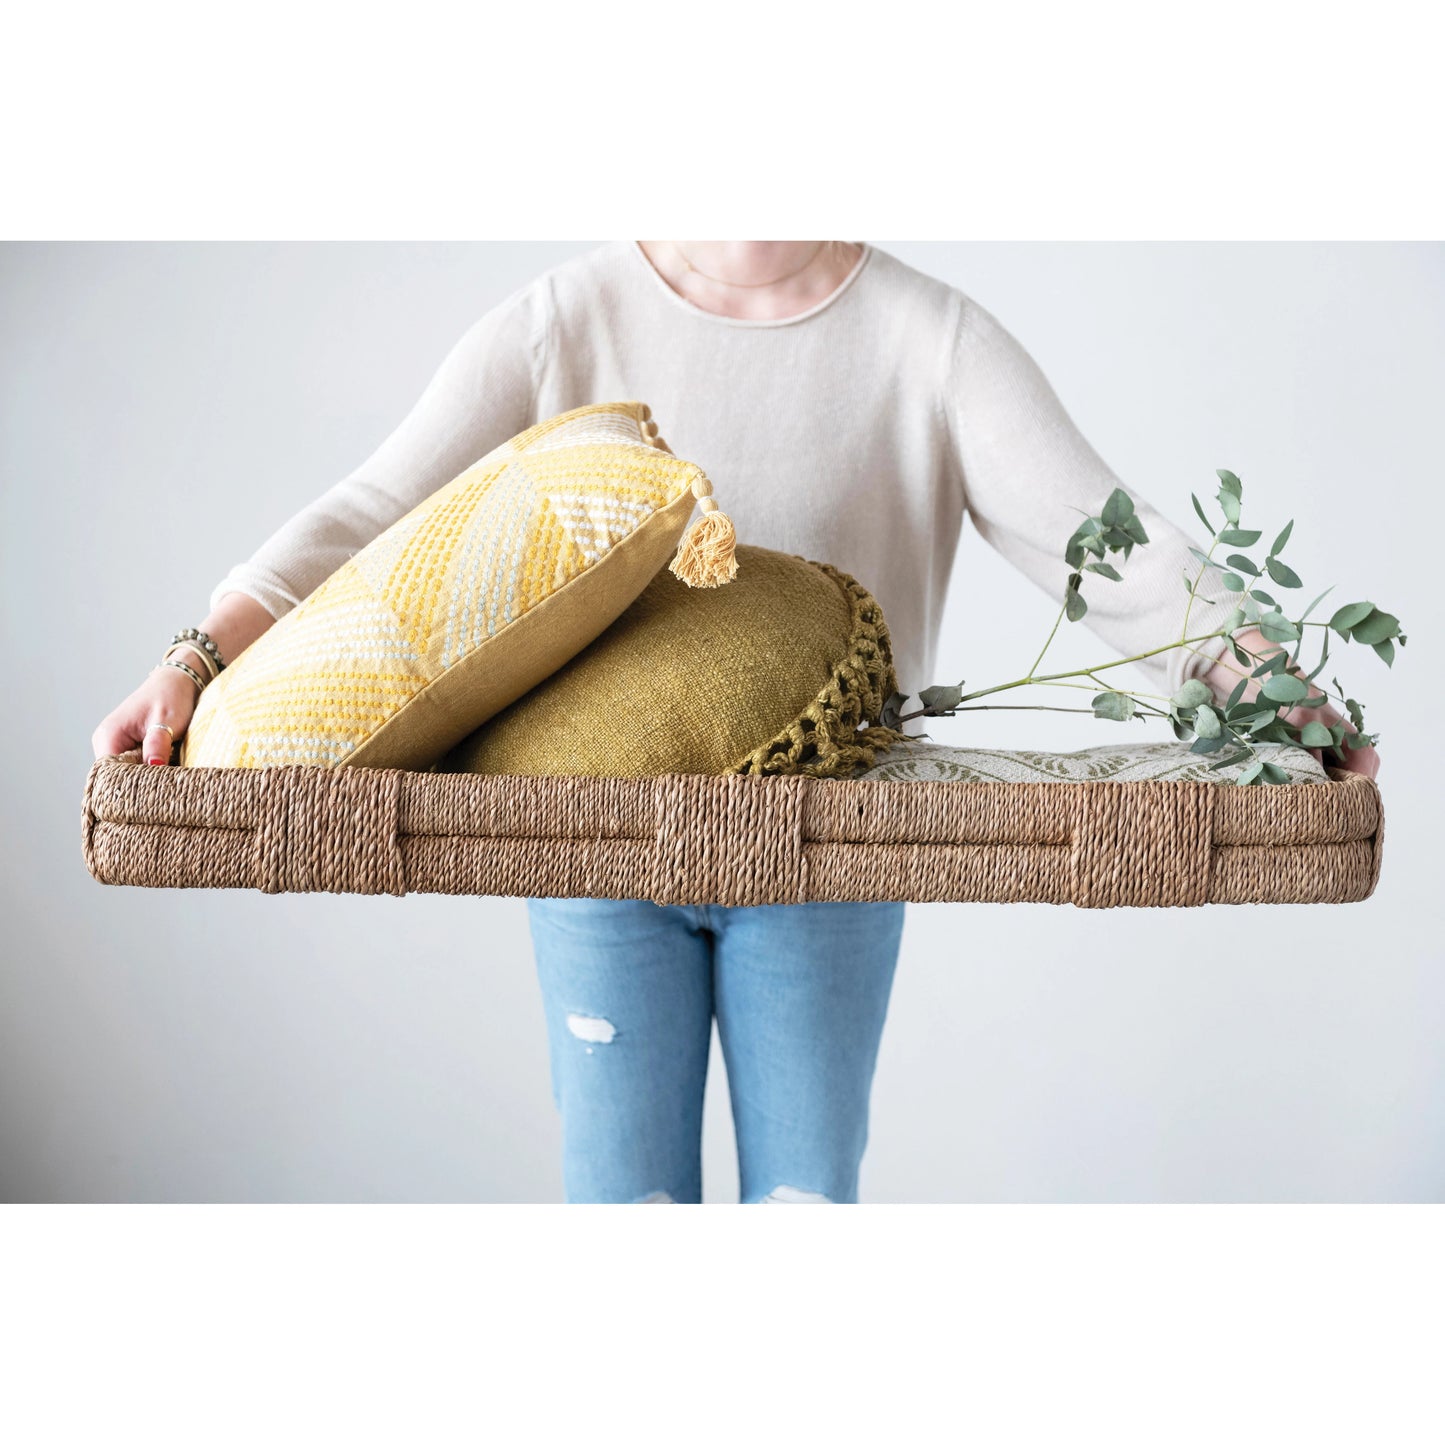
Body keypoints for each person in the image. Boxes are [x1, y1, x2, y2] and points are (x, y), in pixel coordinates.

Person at [92, 241, 1380, 1203]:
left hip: (837, 854)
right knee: (623, 1212)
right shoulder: (563, 323)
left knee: (805, 1213)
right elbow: (374, 519)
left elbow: (1113, 554)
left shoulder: (931, 339)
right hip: (594, 850)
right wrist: (197, 661)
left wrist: (1275, 692)